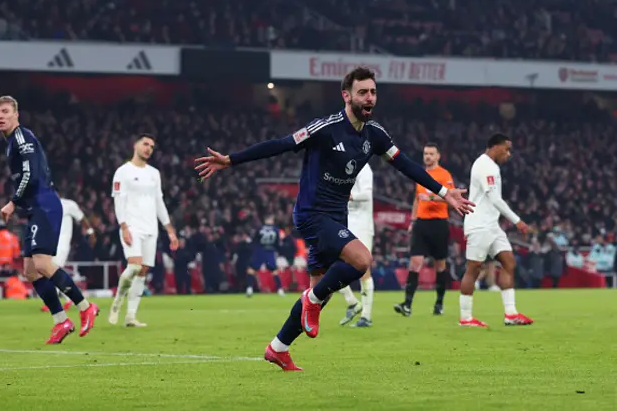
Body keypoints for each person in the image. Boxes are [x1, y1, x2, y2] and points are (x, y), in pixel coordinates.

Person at [195, 67, 474, 370]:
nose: (370, 98)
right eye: (363, 92)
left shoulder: (375, 134)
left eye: (373, 92)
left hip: (336, 218)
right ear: (346, 95)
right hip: (312, 214)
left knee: (320, 290)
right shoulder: (325, 128)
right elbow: (282, 144)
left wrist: (445, 193)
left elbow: (406, 165)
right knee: (361, 260)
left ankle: (278, 347)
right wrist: (231, 159)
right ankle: (310, 303)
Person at [0, 95, 99, 344]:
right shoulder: (10, 142)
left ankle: (85, 307)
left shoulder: (21, 137)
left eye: (5, 111)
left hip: (45, 205)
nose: (0, 116)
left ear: (16, 114)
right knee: (30, 271)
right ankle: (61, 320)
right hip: (35, 208)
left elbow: (30, 173)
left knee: (42, 263)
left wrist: (12, 201)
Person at [460, 133, 533, 327]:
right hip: (479, 225)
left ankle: (510, 314)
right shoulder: (485, 166)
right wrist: (517, 221)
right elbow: (494, 199)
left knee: (509, 262)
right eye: (506, 149)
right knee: (473, 268)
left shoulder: (492, 166)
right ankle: (465, 318)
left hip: (492, 226)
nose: (508, 154)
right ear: (494, 147)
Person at [109, 133, 179, 327]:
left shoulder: (154, 173)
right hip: (132, 226)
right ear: (135, 145)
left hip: (151, 228)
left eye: (152, 146)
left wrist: (169, 230)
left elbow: (159, 202)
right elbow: (118, 201)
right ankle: (117, 302)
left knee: (142, 272)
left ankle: (131, 316)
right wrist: (123, 226)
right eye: (145, 144)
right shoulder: (123, 171)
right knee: (134, 266)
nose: (148, 148)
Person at [394, 143, 454, 317]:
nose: (427, 156)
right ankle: (407, 305)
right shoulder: (420, 174)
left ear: (438, 156)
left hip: (439, 223)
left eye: (431, 154)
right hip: (421, 223)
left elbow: (451, 199)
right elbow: (416, 200)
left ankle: (439, 304)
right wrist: (413, 220)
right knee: (415, 263)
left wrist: (431, 196)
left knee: (440, 265)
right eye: (426, 153)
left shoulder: (444, 175)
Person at [40, 194, 96, 312]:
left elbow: (82, 218)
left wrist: (91, 232)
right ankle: (67, 298)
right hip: (50, 244)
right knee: (52, 271)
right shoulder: (45, 207)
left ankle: (54, 301)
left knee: (53, 269)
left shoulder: (68, 205)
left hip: (62, 244)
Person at [338, 164, 375, 327]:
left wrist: (349, 196)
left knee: (363, 270)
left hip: (362, 225)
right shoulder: (344, 166)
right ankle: (352, 302)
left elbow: (367, 194)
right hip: (347, 224)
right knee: (330, 265)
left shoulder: (364, 169)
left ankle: (366, 316)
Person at [246, 216, 285, 297]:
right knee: (274, 270)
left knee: (251, 269)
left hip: (260, 250)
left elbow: (254, 240)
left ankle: (249, 289)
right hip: (270, 251)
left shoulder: (259, 228)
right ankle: (280, 290)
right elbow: (277, 243)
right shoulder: (276, 230)